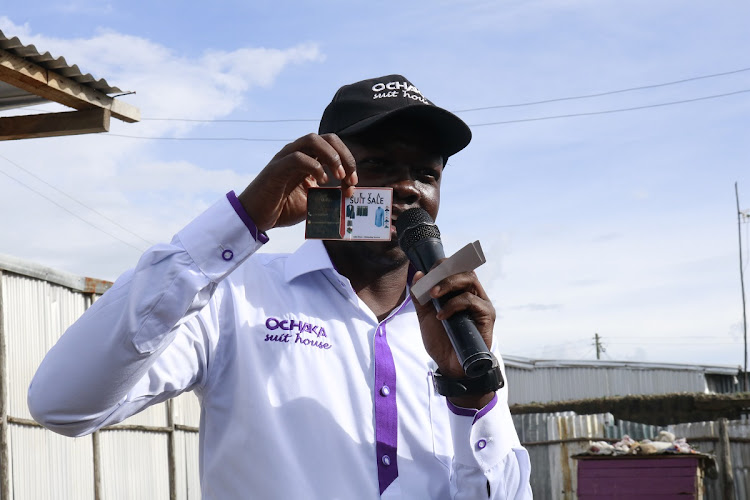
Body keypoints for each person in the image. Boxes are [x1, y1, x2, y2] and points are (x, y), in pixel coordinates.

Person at [28, 74, 532, 499]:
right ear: (324, 173)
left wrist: (468, 396)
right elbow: (62, 405)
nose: (406, 188)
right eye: (377, 165)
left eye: (425, 173)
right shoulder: (233, 296)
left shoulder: (461, 331)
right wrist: (242, 220)